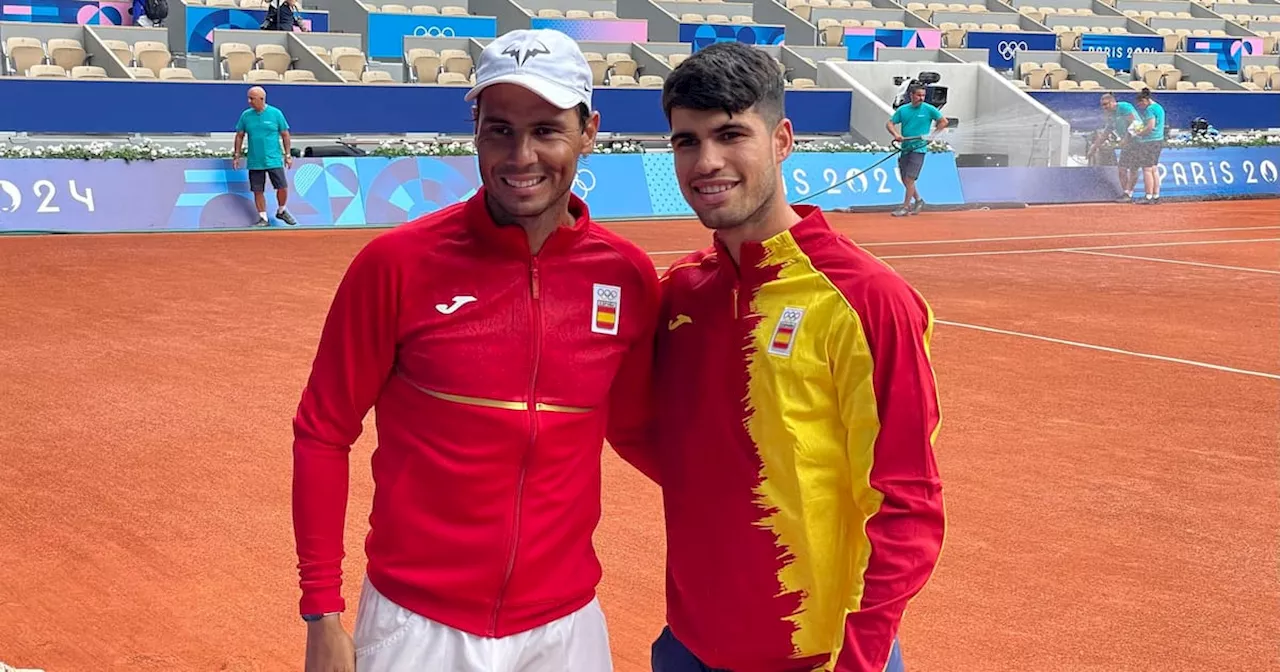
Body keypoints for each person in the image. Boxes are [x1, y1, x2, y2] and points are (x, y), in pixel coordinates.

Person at [290, 28, 660, 672]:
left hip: (566, 625)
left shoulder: (626, 275)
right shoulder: (396, 265)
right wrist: (322, 611)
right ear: (475, 131)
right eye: (499, 130)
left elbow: (638, 431)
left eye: (546, 129)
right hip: (418, 623)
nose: (521, 155)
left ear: (590, 130)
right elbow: (323, 432)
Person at [646, 41, 945, 672]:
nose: (708, 161)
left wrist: (858, 662)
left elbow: (907, 503)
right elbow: (649, 434)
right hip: (688, 645)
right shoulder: (681, 292)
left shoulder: (868, 299)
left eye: (731, 134)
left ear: (782, 139)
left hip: (820, 655)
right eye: (686, 141)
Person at [232, 86, 297, 226]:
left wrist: (288, 155)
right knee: (257, 189)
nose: (249, 101)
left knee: (282, 187)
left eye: (252, 98)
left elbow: (285, 134)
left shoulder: (276, 113)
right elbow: (239, 136)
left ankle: (281, 210)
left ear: (261, 99)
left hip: (273, 159)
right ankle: (263, 218)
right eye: (248, 98)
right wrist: (236, 155)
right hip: (255, 160)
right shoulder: (246, 115)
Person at [885, 85, 948, 217]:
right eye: (919, 95)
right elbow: (890, 123)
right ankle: (919, 200)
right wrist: (896, 135)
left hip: (919, 149)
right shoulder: (903, 110)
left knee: (909, 179)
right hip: (905, 148)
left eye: (923, 95)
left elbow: (943, 122)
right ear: (912, 95)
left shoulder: (929, 109)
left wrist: (932, 136)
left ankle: (905, 207)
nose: (921, 98)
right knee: (904, 179)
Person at [1095, 93, 1139, 201]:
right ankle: (1126, 193)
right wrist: (1095, 146)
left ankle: (1129, 193)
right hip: (1127, 143)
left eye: (1106, 104)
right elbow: (1107, 131)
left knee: (1133, 168)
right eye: (1102, 105)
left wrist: (1126, 138)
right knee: (1122, 169)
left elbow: (1136, 124)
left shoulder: (1124, 107)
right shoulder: (1110, 115)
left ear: (1113, 102)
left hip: (1138, 140)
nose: (1104, 107)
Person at [1133, 87, 1166, 205]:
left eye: (1140, 103)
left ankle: (1148, 196)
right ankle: (1156, 195)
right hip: (1158, 141)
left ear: (1145, 100)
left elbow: (1150, 126)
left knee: (1147, 169)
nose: (1139, 106)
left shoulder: (1150, 110)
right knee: (1154, 169)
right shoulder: (1159, 107)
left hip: (1149, 141)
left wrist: (1139, 134)